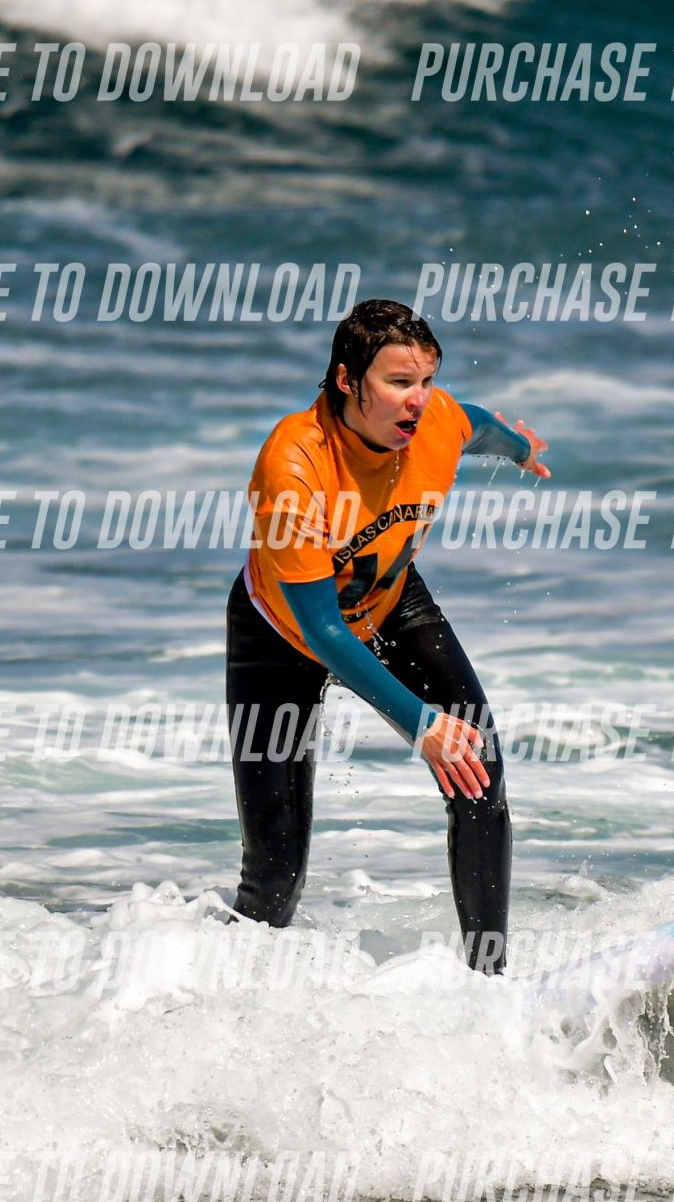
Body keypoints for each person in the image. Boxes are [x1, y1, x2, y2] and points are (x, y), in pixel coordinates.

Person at [229, 299, 548, 974]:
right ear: (348, 380)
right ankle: (229, 988)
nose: (418, 400)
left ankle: (491, 981)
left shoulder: (437, 421)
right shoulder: (294, 464)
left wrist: (521, 449)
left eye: (426, 380)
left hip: (392, 602)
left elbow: (479, 427)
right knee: (275, 872)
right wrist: (419, 722)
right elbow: (323, 629)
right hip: (281, 632)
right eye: (399, 382)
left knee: (478, 771)